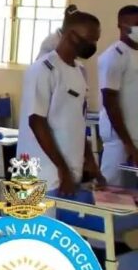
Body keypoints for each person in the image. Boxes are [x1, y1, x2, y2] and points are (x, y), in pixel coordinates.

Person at [18, 11, 104, 195]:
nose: (93, 46)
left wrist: (90, 160)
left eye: (96, 40)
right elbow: (36, 122)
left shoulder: (80, 71)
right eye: (90, 40)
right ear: (72, 36)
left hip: (70, 173)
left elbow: (77, 121)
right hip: (42, 173)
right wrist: (62, 169)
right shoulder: (43, 70)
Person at [99, 5, 138, 186]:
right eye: (135, 24)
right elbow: (110, 101)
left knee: (132, 193)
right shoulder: (114, 55)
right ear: (121, 25)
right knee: (112, 189)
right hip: (120, 138)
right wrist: (128, 144)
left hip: (135, 133)